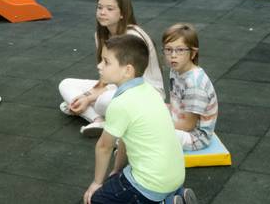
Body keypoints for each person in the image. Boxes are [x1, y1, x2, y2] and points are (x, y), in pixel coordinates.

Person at [83, 35, 194, 204]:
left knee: (96, 199)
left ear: (127, 70)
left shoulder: (121, 103)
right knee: (117, 180)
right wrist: (117, 170)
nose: (99, 65)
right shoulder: (149, 90)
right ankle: (174, 195)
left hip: (150, 185)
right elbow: (125, 139)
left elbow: (104, 146)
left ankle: (163, 202)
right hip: (176, 176)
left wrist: (96, 183)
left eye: (106, 62)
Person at [58, 0, 164, 137]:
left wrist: (88, 97)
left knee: (103, 101)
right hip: (118, 86)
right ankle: (98, 120)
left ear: (122, 13)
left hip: (144, 91)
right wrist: (87, 96)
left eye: (109, 8)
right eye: (99, 7)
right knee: (66, 84)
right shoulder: (101, 35)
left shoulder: (132, 37)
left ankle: (90, 110)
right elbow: (108, 77)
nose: (102, 12)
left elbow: (128, 81)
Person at [163, 23, 218, 151]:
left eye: (180, 50)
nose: (173, 55)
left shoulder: (194, 85)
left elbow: (188, 125)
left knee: (148, 131)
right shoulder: (175, 70)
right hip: (179, 117)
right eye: (168, 49)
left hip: (195, 137)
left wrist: (160, 124)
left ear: (193, 53)